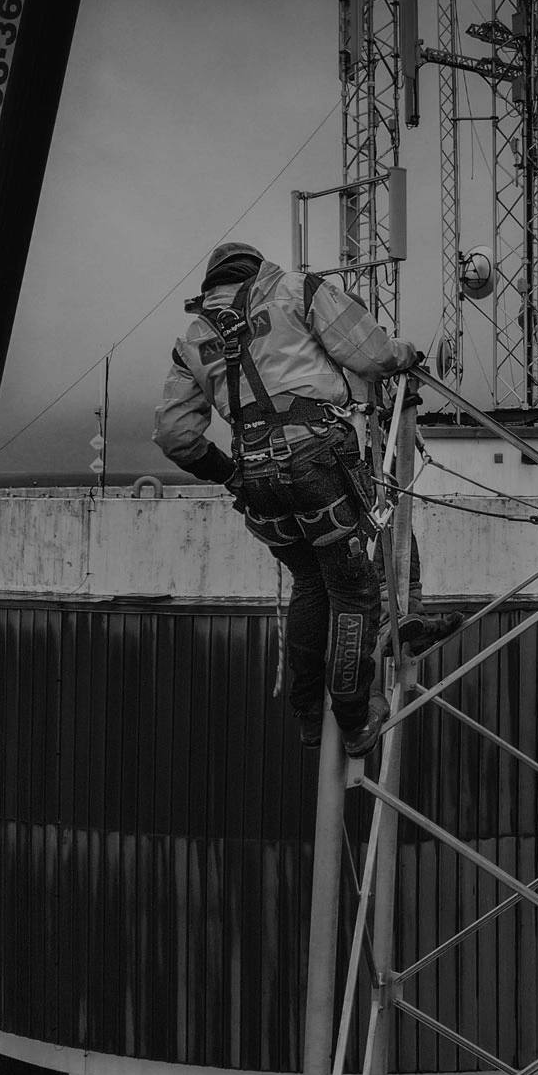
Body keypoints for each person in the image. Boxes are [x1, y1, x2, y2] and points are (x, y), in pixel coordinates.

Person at [154, 241, 422, 758]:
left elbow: (174, 435)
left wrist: (230, 475)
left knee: (310, 581)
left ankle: (307, 714)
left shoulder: (194, 338)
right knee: (353, 587)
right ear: (256, 268)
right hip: (318, 458)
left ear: (214, 282)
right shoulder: (297, 290)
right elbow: (373, 355)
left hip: (254, 475)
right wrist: (406, 354)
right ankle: (351, 713)